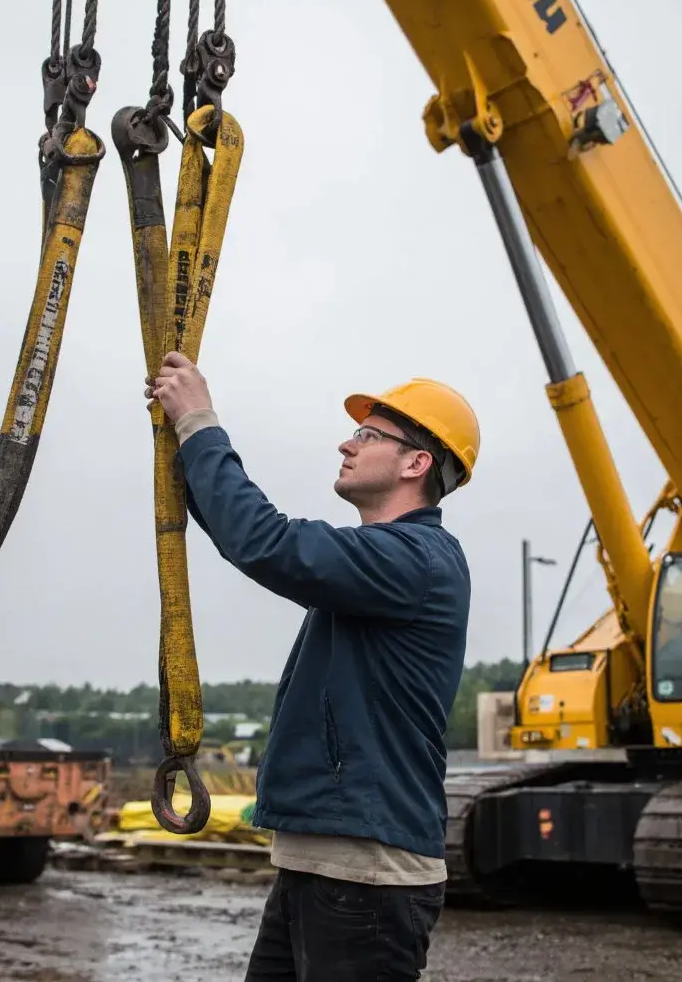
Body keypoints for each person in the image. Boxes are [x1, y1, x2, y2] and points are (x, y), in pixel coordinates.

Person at [146, 350, 479, 981]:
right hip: (320, 861)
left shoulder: (416, 561)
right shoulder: (375, 568)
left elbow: (264, 542)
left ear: (416, 462)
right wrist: (187, 452)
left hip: (368, 875)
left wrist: (199, 423)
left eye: (368, 434)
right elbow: (249, 538)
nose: (345, 444)